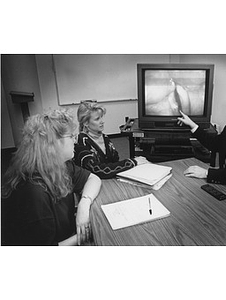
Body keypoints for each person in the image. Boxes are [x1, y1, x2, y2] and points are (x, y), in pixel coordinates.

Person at [1, 110, 101, 246]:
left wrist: (84, 203)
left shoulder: (61, 165)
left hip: (65, 236)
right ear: (53, 143)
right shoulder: (34, 192)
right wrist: (85, 234)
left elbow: (93, 179)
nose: (75, 140)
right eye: (71, 136)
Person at [73, 100, 148, 179]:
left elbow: (115, 161)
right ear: (86, 123)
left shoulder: (105, 138)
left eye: (101, 117)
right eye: (97, 119)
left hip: (110, 180)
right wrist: (132, 162)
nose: (102, 121)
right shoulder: (80, 142)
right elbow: (97, 170)